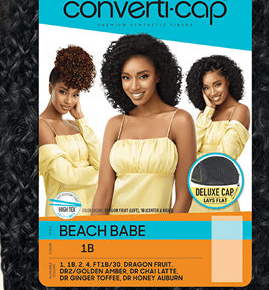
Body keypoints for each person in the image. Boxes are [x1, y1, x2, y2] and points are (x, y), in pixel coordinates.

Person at [92, 34, 195, 215]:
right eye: (126, 78)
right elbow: (103, 192)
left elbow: (184, 196)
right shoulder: (115, 125)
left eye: (143, 76)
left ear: (158, 75)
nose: (134, 87)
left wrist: (168, 231)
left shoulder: (180, 121)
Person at [38, 46, 101, 216]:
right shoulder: (42, 126)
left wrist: (80, 117)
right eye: (63, 92)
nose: (68, 101)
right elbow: (66, 176)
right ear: (50, 88)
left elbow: (101, 161)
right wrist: (99, 173)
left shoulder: (75, 124)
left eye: (75, 95)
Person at [185, 55, 251, 213]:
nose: (212, 92)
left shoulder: (240, 111)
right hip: (195, 198)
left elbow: (224, 158)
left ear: (228, 80)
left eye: (217, 84)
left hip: (222, 197)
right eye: (206, 88)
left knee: (224, 231)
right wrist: (208, 110)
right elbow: (188, 151)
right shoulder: (204, 115)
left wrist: (195, 162)